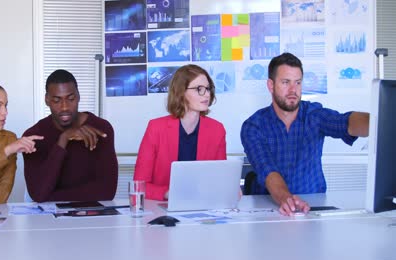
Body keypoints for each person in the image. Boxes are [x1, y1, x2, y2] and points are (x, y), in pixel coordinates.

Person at [240, 52, 369, 216]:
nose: (293, 90)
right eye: (286, 82)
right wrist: (287, 198)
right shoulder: (253, 126)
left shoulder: (314, 115)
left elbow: (346, 122)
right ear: (271, 85)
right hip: (269, 208)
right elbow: (267, 170)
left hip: (313, 206)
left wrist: (379, 120)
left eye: (298, 83)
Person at [134, 64, 227, 201]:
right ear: (181, 92)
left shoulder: (217, 129)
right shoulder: (156, 128)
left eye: (208, 89)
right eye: (199, 89)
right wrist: (167, 193)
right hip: (162, 209)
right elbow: (139, 186)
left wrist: (228, 188)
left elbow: (220, 179)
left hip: (202, 206)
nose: (207, 94)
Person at [23, 69, 118, 202]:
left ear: (78, 96)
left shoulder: (101, 128)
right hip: (49, 219)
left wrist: (51, 197)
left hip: (92, 217)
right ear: (47, 100)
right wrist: (64, 139)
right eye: (57, 100)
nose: (64, 107)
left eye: (71, 99)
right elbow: (38, 194)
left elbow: (107, 192)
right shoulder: (34, 135)